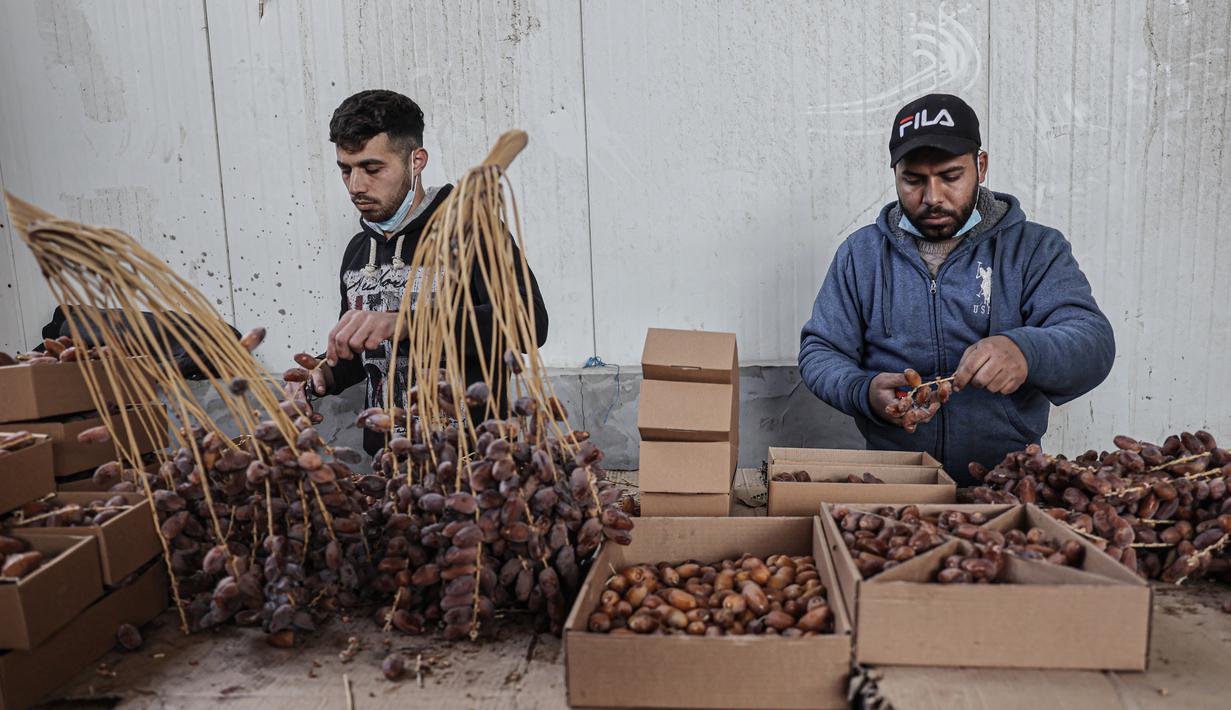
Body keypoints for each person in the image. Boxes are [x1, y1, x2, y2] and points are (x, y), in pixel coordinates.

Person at [798, 94, 1114, 484]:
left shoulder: (1035, 250)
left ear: (980, 166)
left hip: (1007, 482)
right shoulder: (861, 255)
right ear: (895, 173)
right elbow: (820, 351)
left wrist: (1026, 352)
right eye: (913, 180)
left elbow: (1093, 342)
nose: (932, 197)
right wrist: (863, 392)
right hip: (893, 481)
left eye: (950, 176)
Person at [309, 89, 549, 455]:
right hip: (390, 468)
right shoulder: (358, 253)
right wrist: (321, 376)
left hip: (472, 465)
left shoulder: (471, 230)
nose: (356, 186)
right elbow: (364, 357)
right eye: (346, 170)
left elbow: (529, 322)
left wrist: (408, 322)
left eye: (372, 169)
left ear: (416, 160)